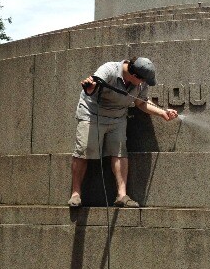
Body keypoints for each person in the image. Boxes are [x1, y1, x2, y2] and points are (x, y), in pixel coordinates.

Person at [68, 57, 178, 208]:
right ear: (134, 75)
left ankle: (122, 195)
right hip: (92, 114)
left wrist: (162, 113)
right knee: (84, 150)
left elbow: (141, 102)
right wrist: (90, 88)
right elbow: (93, 86)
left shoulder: (141, 82)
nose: (143, 83)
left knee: (119, 152)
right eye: (142, 80)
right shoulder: (109, 69)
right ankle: (76, 194)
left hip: (118, 117)